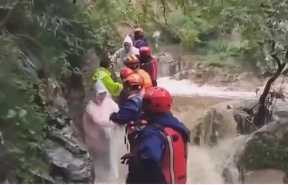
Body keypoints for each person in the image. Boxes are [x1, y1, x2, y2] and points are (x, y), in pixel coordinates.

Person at [120, 87, 190, 184]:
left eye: (145, 103)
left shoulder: (151, 133)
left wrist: (137, 157)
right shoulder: (179, 128)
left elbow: (150, 163)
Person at [82, 80, 119, 182]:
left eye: (103, 93)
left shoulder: (108, 102)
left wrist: (118, 118)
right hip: (95, 140)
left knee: (110, 157)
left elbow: (117, 110)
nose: (102, 96)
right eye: (100, 94)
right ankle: (99, 178)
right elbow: (98, 121)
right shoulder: (90, 107)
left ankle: (110, 178)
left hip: (108, 137)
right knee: (97, 159)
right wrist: (112, 122)